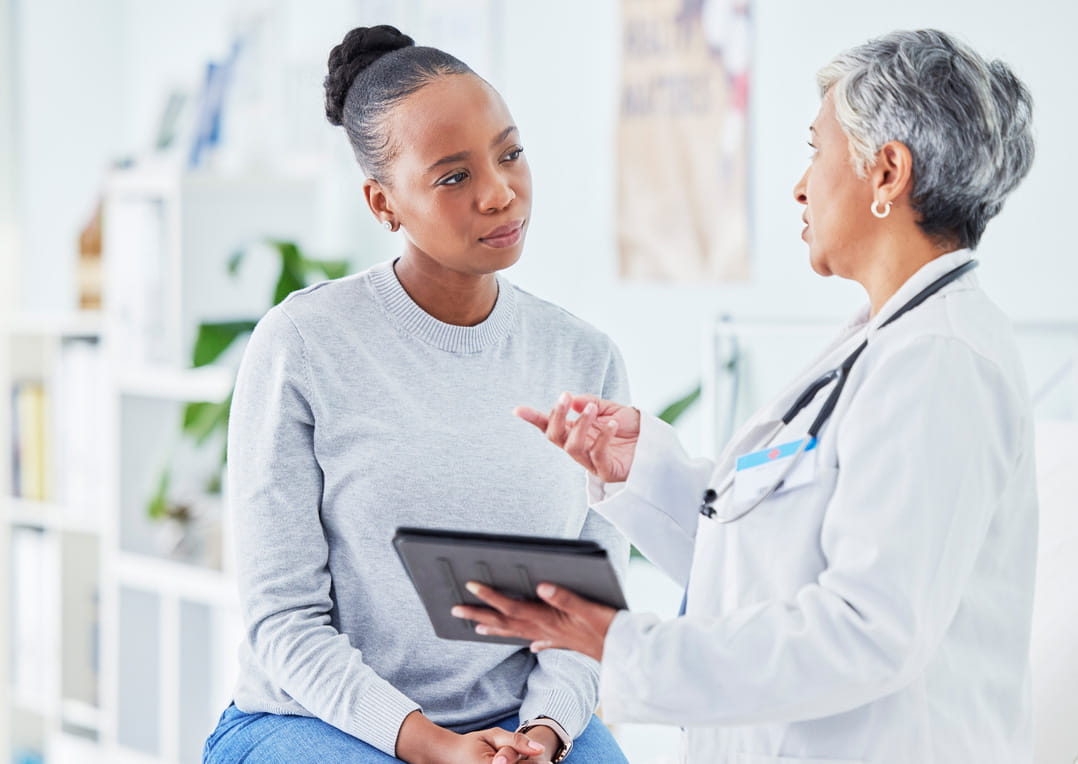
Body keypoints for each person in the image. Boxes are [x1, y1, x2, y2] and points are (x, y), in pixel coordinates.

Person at [455, 28, 1039, 763]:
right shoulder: (883, 346)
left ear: (887, 172)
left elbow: (868, 629)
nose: (800, 183)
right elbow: (765, 564)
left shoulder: (939, 363)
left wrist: (624, 644)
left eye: (816, 149)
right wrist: (644, 467)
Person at [202, 24, 631, 764]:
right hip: (318, 721)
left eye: (511, 154)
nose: (500, 193)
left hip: (518, 718)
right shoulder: (303, 344)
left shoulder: (583, 356)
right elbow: (284, 621)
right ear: (383, 204)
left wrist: (547, 731)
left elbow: (589, 605)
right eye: (454, 176)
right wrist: (428, 744)